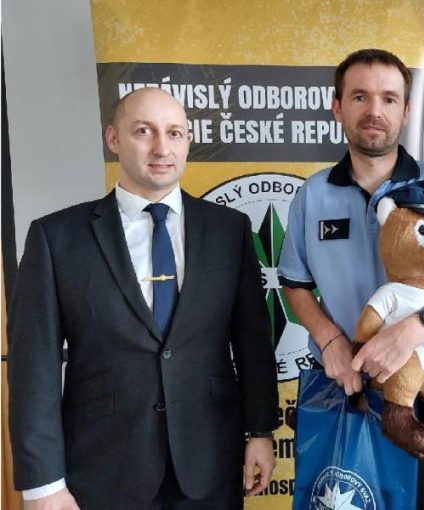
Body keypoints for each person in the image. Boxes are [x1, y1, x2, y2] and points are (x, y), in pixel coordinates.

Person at [8, 87, 279, 510]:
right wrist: (43, 484)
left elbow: (253, 342)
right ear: (113, 139)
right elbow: (33, 366)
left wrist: (260, 431)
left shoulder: (229, 230)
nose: (162, 148)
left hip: (210, 468)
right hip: (102, 473)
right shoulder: (57, 238)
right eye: (143, 131)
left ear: (188, 141)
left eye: (175, 133)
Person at [278, 48, 424, 509]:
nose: (375, 111)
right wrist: (330, 341)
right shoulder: (313, 194)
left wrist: (415, 329)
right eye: (360, 97)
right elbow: (295, 284)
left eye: (389, 99)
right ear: (337, 108)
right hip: (342, 388)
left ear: (406, 111)